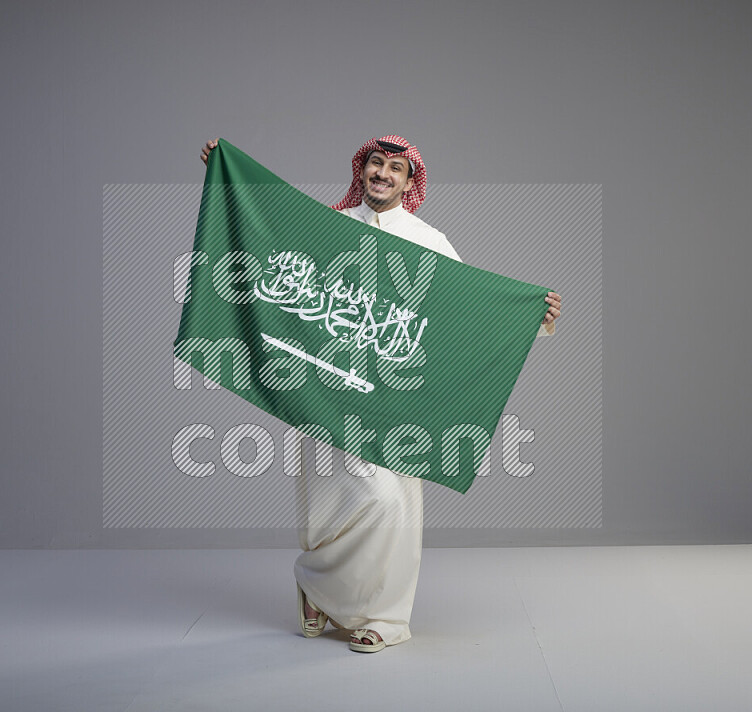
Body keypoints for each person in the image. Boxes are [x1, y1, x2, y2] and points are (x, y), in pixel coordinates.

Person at [200, 135, 562, 652]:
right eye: (376, 164)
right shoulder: (331, 226)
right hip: (323, 389)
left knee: (389, 502)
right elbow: (267, 238)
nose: (383, 174)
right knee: (327, 504)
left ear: (409, 181)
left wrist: (532, 321)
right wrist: (226, 176)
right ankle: (316, 586)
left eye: (395, 168)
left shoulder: (428, 240)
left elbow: (465, 314)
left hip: (391, 401)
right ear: (362, 170)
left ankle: (385, 619)